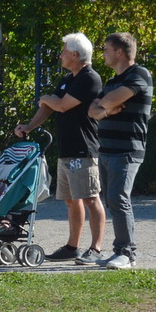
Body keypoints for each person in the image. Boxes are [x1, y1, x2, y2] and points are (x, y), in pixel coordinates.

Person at [16, 32, 106, 264]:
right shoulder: (68, 79)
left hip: (83, 149)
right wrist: (29, 126)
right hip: (66, 148)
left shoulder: (89, 78)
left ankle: (95, 248)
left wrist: (46, 98)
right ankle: (72, 247)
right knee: (70, 199)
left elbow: (62, 105)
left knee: (90, 197)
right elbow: (49, 107)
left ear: (75, 54)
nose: (60, 55)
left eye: (64, 51)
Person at [89, 31, 154, 270]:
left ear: (119, 51)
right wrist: (106, 107)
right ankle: (119, 251)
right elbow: (93, 110)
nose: (103, 53)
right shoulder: (112, 81)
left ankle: (127, 254)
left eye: (106, 49)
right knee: (112, 200)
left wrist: (104, 105)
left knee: (119, 198)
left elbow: (108, 101)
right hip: (106, 149)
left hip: (127, 150)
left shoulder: (139, 74)